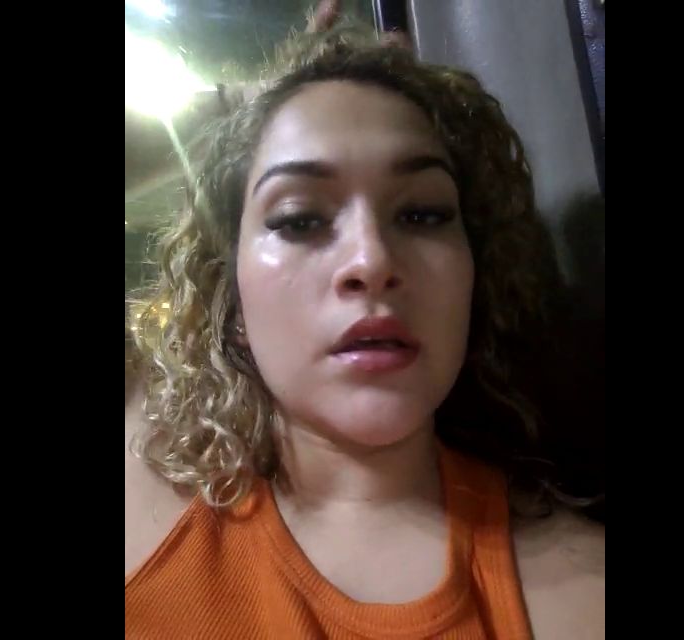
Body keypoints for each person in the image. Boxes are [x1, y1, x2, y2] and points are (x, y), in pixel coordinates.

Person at [125, 14, 604, 640]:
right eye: (299, 219)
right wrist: (242, 105)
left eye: (422, 214)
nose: (372, 261)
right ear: (231, 296)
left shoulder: (583, 593)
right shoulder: (143, 487)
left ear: (475, 277)